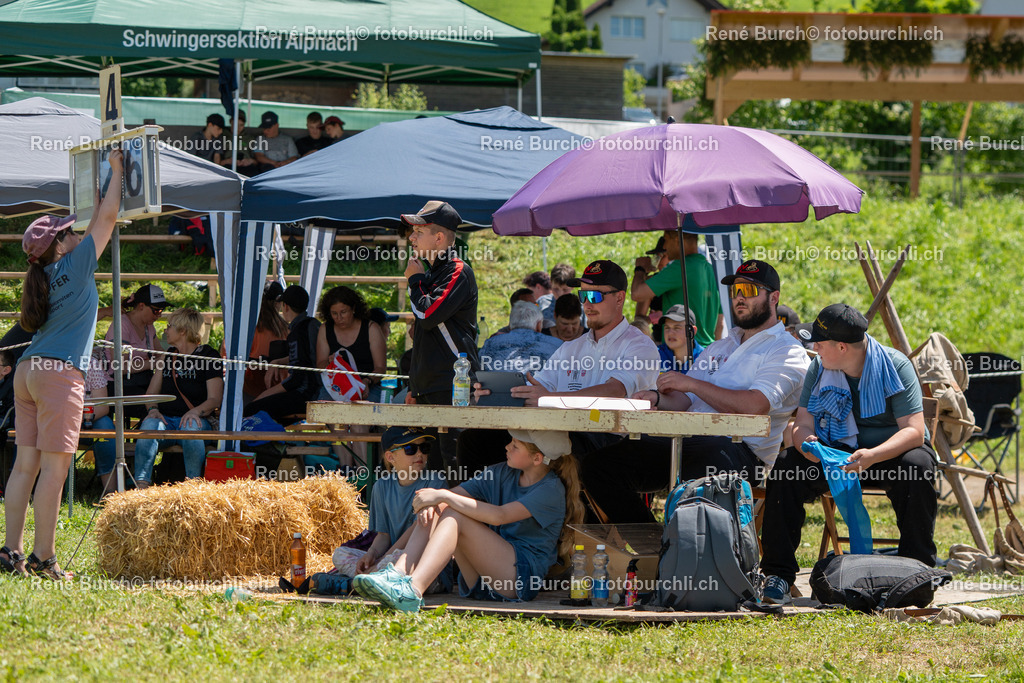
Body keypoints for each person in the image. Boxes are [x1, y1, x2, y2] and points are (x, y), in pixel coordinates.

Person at [581, 259, 811, 523]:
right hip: (686, 441)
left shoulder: (787, 351)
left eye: (748, 291)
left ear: (774, 298)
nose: (739, 298)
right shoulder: (722, 345)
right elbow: (683, 399)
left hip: (741, 453)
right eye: (735, 291)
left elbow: (755, 405)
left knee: (706, 449)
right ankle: (657, 545)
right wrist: (657, 397)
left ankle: (683, 547)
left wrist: (691, 384)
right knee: (599, 466)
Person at [760, 303, 938, 605]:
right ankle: (777, 574)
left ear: (842, 347)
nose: (813, 347)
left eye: (819, 342)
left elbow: (913, 431)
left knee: (918, 465)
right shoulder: (820, 367)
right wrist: (809, 445)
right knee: (786, 466)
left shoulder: (895, 366)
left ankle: (916, 573)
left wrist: (871, 456)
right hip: (835, 454)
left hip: (889, 454)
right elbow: (801, 425)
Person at [1, 148, 122, 580]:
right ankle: (44, 558)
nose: (75, 235)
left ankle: (11, 552)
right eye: (68, 233)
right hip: (57, 375)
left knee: (24, 467)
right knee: (54, 471)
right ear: (59, 246)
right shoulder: (77, 262)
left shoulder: (42, 276)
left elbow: (97, 222)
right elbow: (106, 219)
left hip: (28, 371)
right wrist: (119, 171)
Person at [459, 260, 660, 476]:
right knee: (474, 439)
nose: (587, 304)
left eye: (595, 296)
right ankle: (479, 506)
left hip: (611, 437)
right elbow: (538, 388)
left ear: (619, 298)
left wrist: (549, 399)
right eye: (582, 296)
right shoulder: (572, 347)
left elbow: (615, 391)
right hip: (563, 430)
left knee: (543, 449)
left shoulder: (639, 345)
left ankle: (517, 505)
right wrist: (498, 394)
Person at [353, 428, 582, 612]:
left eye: (515, 445)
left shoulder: (550, 489)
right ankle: (396, 572)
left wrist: (443, 495)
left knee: (451, 508)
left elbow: (499, 516)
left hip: (519, 580)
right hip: (483, 579)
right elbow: (454, 497)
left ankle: (413, 590)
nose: (506, 447)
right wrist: (436, 502)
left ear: (537, 458)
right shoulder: (502, 472)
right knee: (442, 507)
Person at [402, 201, 479, 468]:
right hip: (430, 389)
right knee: (433, 468)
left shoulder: (457, 270)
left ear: (438, 238)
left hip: (452, 388)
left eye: (418, 232)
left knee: (454, 466)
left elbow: (427, 315)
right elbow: (426, 337)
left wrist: (414, 282)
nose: (411, 237)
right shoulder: (431, 273)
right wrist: (415, 386)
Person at [331, 428, 445, 576]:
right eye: (410, 449)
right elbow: (384, 536)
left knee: (397, 559)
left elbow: (417, 530)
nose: (420, 454)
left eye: (424, 448)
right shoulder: (382, 486)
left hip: (422, 561)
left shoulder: (434, 481)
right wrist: (372, 554)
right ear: (390, 457)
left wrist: (383, 559)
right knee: (340, 555)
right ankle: (369, 578)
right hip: (390, 556)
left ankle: (357, 581)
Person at [135, 308, 223, 487]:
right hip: (166, 421)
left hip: (199, 422)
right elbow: (150, 395)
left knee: (190, 426)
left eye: (169, 326)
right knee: (149, 425)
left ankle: (193, 487)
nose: (165, 330)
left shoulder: (209, 356)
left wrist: (195, 412)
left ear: (183, 330)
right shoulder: (168, 356)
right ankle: (141, 487)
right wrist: (153, 410)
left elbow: (215, 399)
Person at [631, 231, 723, 347]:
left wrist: (640, 269)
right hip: (707, 350)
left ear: (676, 240)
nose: (665, 246)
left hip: (682, 352)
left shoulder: (680, 267)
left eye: (666, 239)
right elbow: (720, 321)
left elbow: (636, 294)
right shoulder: (709, 268)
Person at [245, 285, 321, 424]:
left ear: (285, 306)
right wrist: (279, 361)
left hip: (306, 394)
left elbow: (296, 379)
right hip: (317, 389)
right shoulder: (313, 324)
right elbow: (306, 358)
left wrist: (264, 395)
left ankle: (265, 443)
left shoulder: (297, 332)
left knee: (251, 410)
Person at [103, 284, 166, 418]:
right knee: (154, 408)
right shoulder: (122, 324)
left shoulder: (149, 326)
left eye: (162, 310)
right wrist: (154, 363)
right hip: (118, 386)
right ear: (141, 306)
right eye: (156, 311)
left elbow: (160, 353)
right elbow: (119, 366)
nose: (159, 315)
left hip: (141, 382)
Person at [315, 286, 386, 401]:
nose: (339, 318)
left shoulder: (371, 328)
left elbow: (381, 368)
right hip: (336, 387)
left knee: (367, 413)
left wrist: (367, 381)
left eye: (343, 312)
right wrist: (330, 363)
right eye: (334, 313)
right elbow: (320, 364)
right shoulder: (325, 329)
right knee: (324, 411)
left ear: (353, 309)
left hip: (368, 386)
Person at [480, 302, 563, 373]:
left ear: (510, 325)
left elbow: (477, 369)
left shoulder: (491, 343)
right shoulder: (557, 345)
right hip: (539, 391)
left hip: (495, 390)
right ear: (538, 325)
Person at [243, 285, 289, 401]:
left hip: (251, 381)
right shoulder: (285, 327)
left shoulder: (249, 324)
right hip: (277, 382)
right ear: (278, 303)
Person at [657, 304, 704, 373]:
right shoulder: (654, 355)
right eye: (667, 327)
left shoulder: (706, 358)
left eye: (677, 328)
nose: (670, 333)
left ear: (692, 331)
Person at [220, 110, 259, 176]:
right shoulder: (222, 136)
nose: (238, 128)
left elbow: (257, 160)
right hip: (228, 166)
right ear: (230, 122)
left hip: (246, 167)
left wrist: (249, 161)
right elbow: (216, 160)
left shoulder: (250, 138)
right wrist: (228, 161)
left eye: (241, 125)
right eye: (235, 124)